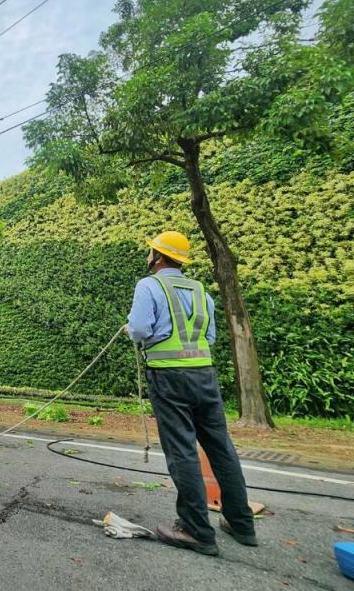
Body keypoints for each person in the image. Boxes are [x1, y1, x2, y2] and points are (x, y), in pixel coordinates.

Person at [127, 230, 257, 556]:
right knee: (220, 448)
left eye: (151, 253)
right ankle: (241, 524)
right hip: (205, 375)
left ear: (157, 256)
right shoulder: (201, 292)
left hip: (169, 379)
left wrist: (132, 330)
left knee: (182, 451)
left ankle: (196, 530)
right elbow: (209, 337)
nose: (149, 257)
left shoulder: (149, 286)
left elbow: (141, 329)